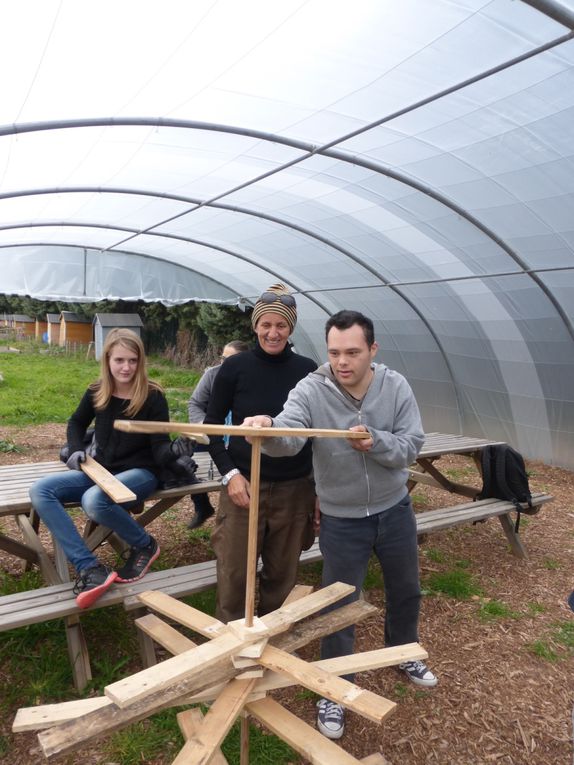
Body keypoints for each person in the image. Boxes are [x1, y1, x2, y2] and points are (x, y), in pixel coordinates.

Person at [244, 309, 437, 740]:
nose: (343, 362)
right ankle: (334, 687)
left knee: (406, 588)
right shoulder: (313, 387)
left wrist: (377, 442)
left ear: (373, 349)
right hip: (341, 518)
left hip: (394, 509)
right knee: (339, 604)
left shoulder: (395, 386)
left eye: (352, 352)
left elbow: (411, 445)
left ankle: (403, 650)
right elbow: (291, 433)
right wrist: (268, 428)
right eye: (334, 353)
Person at [29, 328, 195, 610]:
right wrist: (76, 448)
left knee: (93, 499)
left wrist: (175, 451)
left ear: (140, 361)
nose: (126, 367)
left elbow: (158, 447)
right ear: (107, 360)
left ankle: (144, 544)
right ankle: (90, 568)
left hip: (141, 473)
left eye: (132, 360)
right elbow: (76, 423)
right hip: (100, 470)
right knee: (41, 490)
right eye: (119, 360)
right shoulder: (97, 391)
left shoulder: (153, 396)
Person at [204, 283, 317, 623]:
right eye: (266, 324)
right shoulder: (235, 368)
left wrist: (317, 490)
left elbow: (316, 436)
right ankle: (231, 643)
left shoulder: (307, 370)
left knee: (282, 576)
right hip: (244, 488)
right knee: (234, 573)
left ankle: (271, 638)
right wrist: (231, 476)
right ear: (255, 326)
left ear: (291, 328)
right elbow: (213, 427)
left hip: (294, 489)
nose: (273, 332)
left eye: (281, 325)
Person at [187, 339, 250, 529]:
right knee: (189, 464)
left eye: (230, 360)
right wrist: (205, 426)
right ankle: (202, 506)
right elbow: (195, 403)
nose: (225, 364)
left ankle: (240, 519)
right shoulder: (212, 374)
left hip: (239, 437)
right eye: (223, 359)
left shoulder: (251, 377)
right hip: (211, 433)